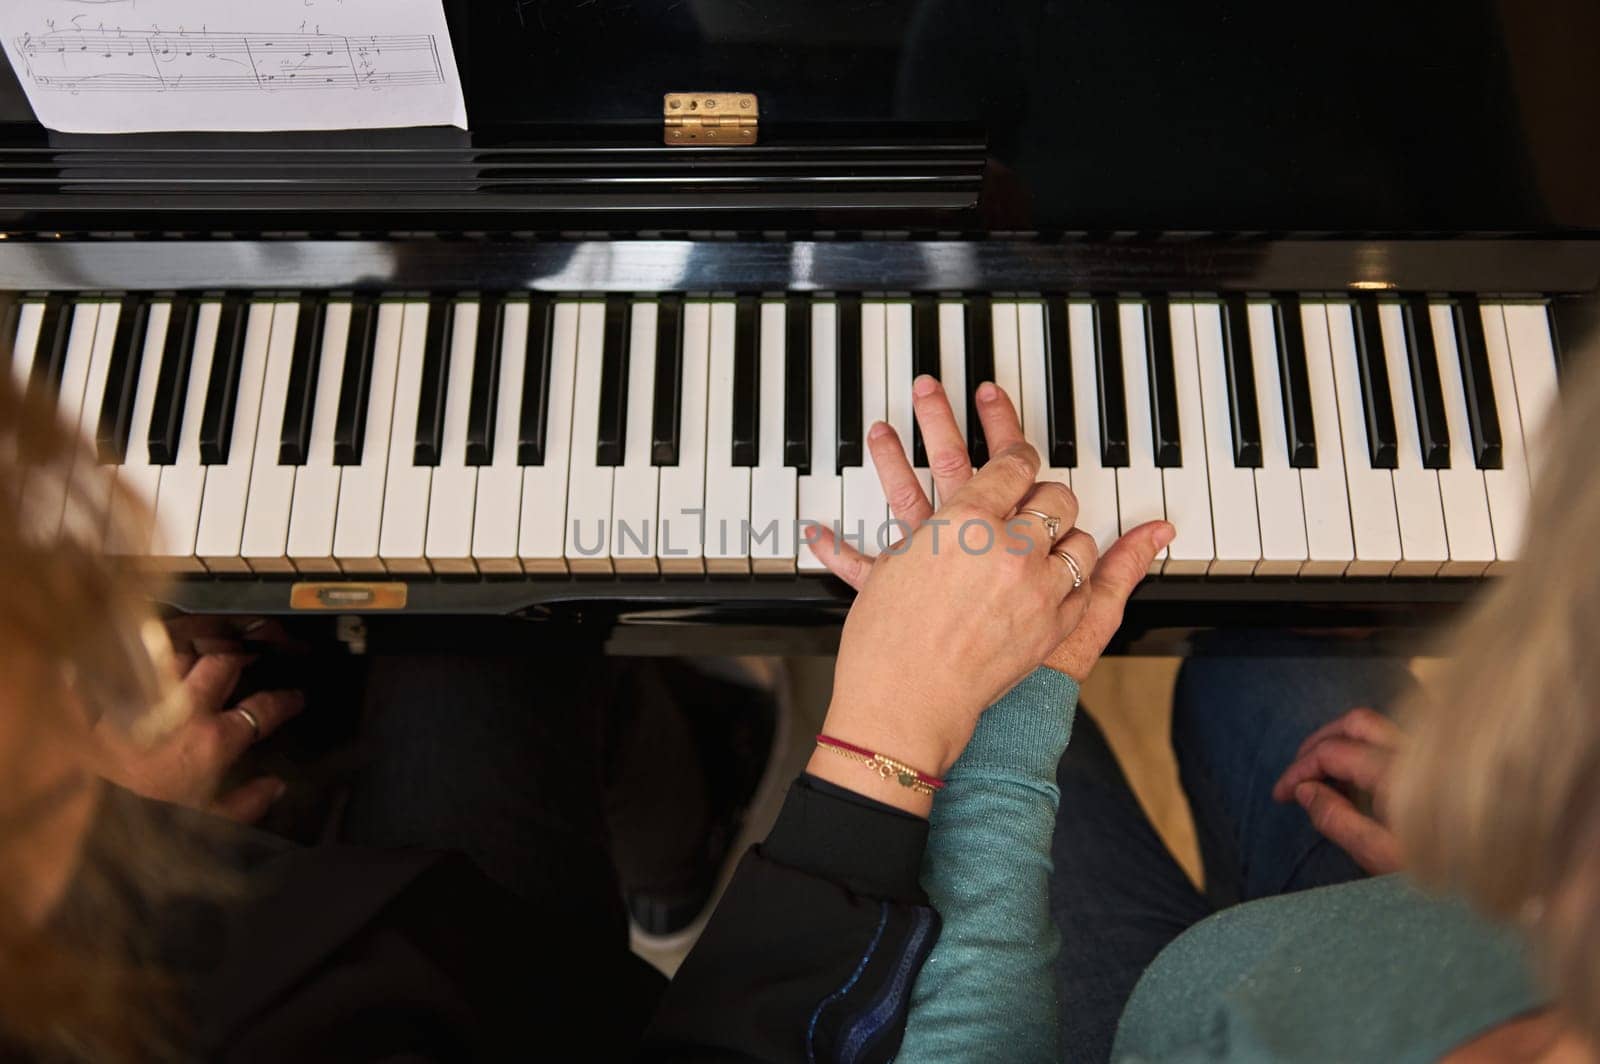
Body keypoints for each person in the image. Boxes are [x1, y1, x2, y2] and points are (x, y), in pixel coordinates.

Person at [0, 355, 1160, 1060]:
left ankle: (680, 821)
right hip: (493, 1021)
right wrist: (896, 729)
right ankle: (691, 814)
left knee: (470, 628)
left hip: (268, 955)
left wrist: (107, 841)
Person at [817, 360, 1600, 1061]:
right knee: (1282, 661)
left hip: (1158, 1030)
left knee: (1066, 774)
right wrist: (1485, 894)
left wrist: (986, 699)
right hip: (1427, 927)